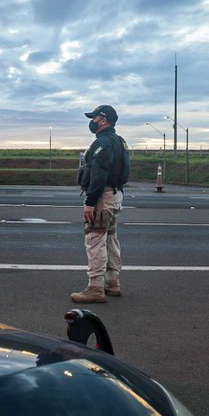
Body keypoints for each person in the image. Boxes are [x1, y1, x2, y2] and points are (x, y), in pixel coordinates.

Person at [71, 104, 129, 303]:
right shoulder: (120, 141)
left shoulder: (103, 142)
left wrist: (90, 201)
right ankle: (112, 282)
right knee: (110, 237)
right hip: (116, 194)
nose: (92, 121)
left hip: (102, 197)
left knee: (95, 240)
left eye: (94, 118)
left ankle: (95, 288)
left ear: (103, 119)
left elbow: (99, 173)